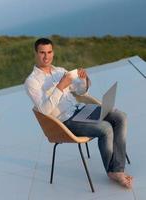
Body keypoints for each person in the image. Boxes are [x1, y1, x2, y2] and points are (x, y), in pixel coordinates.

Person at [24, 38, 133, 189]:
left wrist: (84, 80)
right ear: (35, 53)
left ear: (53, 52)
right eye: (42, 52)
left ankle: (117, 166)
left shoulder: (60, 71)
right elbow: (44, 110)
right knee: (106, 128)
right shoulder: (32, 82)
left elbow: (80, 91)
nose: (46, 56)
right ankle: (114, 171)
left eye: (49, 52)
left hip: (80, 110)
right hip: (65, 122)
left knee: (120, 117)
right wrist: (61, 86)